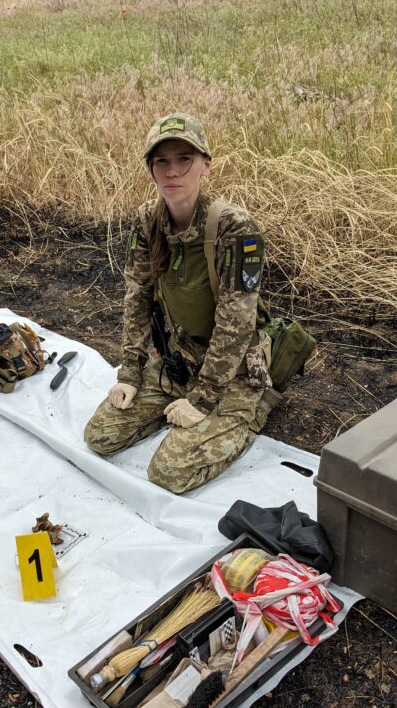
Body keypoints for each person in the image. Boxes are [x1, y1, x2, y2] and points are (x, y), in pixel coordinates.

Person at [84, 112, 282, 494]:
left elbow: (236, 324)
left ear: (205, 166)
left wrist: (203, 400)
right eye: (162, 161)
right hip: (177, 361)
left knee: (168, 473)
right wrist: (130, 372)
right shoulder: (147, 221)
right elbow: (137, 296)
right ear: (151, 170)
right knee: (100, 436)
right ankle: (176, 405)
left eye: (184, 160)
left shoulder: (235, 228)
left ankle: (253, 408)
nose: (173, 171)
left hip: (232, 371)